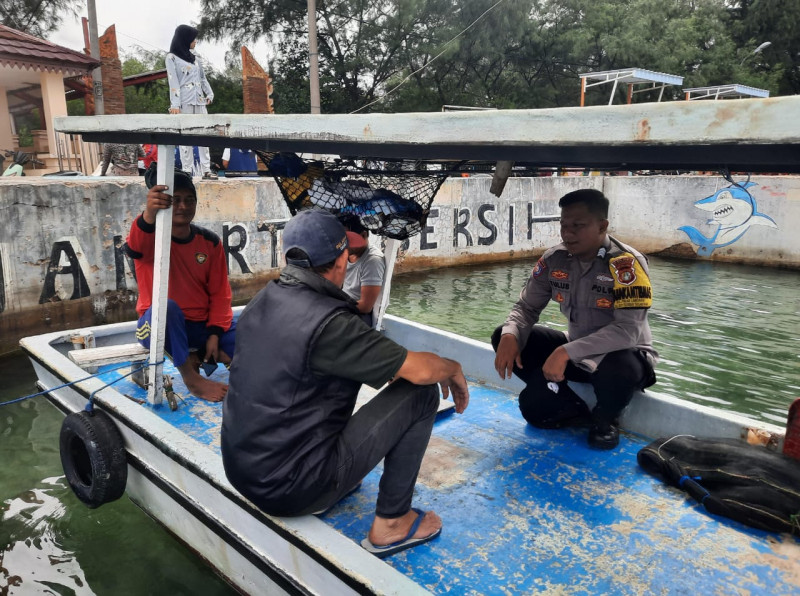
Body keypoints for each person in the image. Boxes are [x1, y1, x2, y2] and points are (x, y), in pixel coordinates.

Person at [222, 209, 469, 558]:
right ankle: (392, 522)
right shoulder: (332, 324)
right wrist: (453, 367)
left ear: (287, 255)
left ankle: (328, 484)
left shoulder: (263, 299)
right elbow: (421, 372)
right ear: (342, 261)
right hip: (289, 488)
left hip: (244, 472)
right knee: (422, 392)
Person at [493, 189, 657, 449]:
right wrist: (511, 333)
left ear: (602, 226)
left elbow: (628, 332)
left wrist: (564, 352)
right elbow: (526, 308)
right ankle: (569, 405)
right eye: (564, 225)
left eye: (578, 226)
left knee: (622, 363)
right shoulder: (554, 260)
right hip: (576, 352)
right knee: (505, 338)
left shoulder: (626, 264)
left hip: (621, 358)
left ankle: (606, 419)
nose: (567, 234)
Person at [124, 168, 234, 402]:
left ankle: (206, 356)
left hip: (199, 325)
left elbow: (220, 294)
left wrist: (214, 334)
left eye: (189, 200)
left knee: (251, 329)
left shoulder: (210, 242)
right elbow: (134, 246)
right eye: (175, 200)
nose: (183, 206)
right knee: (168, 307)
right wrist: (149, 214)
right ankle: (191, 378)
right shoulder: (149, 237)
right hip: (156, 325)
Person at [166, 25, 217, 180]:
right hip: (184, 101)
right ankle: (187, 170)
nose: (195, 42)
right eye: (193, 39)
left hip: (199, 101)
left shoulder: (196, 59)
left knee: (204, 134)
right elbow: (173, 82)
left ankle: (206, 169)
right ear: (185, 39)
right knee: (185, 136)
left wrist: (210, 94)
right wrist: (175, 105)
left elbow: (203, 79)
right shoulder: (172, 58)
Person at [342, 221, 385, 326]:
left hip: (359, 314)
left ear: (363, 235)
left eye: (348, 239)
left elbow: (365, 306)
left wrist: (337, 305)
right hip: (344, 304)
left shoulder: (373, 261)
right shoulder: (347, 253)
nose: (344, 244)